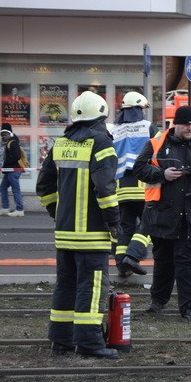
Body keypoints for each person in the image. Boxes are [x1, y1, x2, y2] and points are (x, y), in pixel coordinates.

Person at [35, 92, 121, 358]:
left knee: (66, 286)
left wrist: (57, 213)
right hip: (93, 234)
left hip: (65, 233)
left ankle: (61, 341)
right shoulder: (101, 143)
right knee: (92, 288)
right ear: (102, 115)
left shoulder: (61, 143)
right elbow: (105, 189)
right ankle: (90, 344)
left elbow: (43, 187)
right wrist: (114, 222)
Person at [133, 105, 191, 324]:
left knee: (189, 262)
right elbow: (138, 168)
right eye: (186, 124)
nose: (190, 128)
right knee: (163, 260)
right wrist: (161, 174)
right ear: (176, 123)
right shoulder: (156, 144)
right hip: (163, 214)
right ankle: (158, 301)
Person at [109, 91, 158, 278]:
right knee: (147, 224)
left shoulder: (113, 130)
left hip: (121, 188)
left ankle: (121, 264)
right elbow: (162, 151)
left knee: (126, 226)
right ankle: (133, 256)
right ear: (139, 109)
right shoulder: (149, 128)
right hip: (144, 186)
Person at [0, 123, 26, 216]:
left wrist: (5, 165)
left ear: (10, 133)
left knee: (15, 190)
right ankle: (5, 208)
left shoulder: (13, 142)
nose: (3, 137)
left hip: (14, 170)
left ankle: (20, 210)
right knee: (3, 188)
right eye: (2, 135)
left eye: (5, 134)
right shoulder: (10, 142)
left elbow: (17, 156)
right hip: (10, 170)